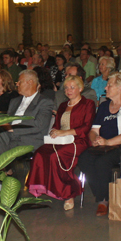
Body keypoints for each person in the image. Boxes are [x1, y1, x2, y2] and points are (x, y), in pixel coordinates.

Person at [27, 76, 96, 210]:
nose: (68, 91)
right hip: (60, 140)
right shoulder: (63, 105)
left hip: (78, 140)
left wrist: (65, 132)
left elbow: (86, 127)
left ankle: (68, 193)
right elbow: (57, 124)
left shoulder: (88, 104)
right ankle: (45, 187)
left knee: (55, 156)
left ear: (80, 89)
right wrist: (54, 131)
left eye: (72, 87)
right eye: (66, 88)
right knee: (40, 153)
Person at [78, 72, 121, 217]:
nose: (106, 88)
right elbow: (94, 130)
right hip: (103, 146)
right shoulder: (104, 106)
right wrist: (95, 140)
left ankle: (102, 200)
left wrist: (108, 142)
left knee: (102, 162)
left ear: (119, 88)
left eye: (109, 85)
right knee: (84, 159)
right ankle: (104, 194)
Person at [0, 70, 54, 163]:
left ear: (30, 82)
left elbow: (39, 124)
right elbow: (7, 120)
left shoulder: (44, 102)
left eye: (19, 81)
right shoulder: (14, 101)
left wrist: (13, 128)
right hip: (10, 137)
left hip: (29, 139)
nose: (17, 84)